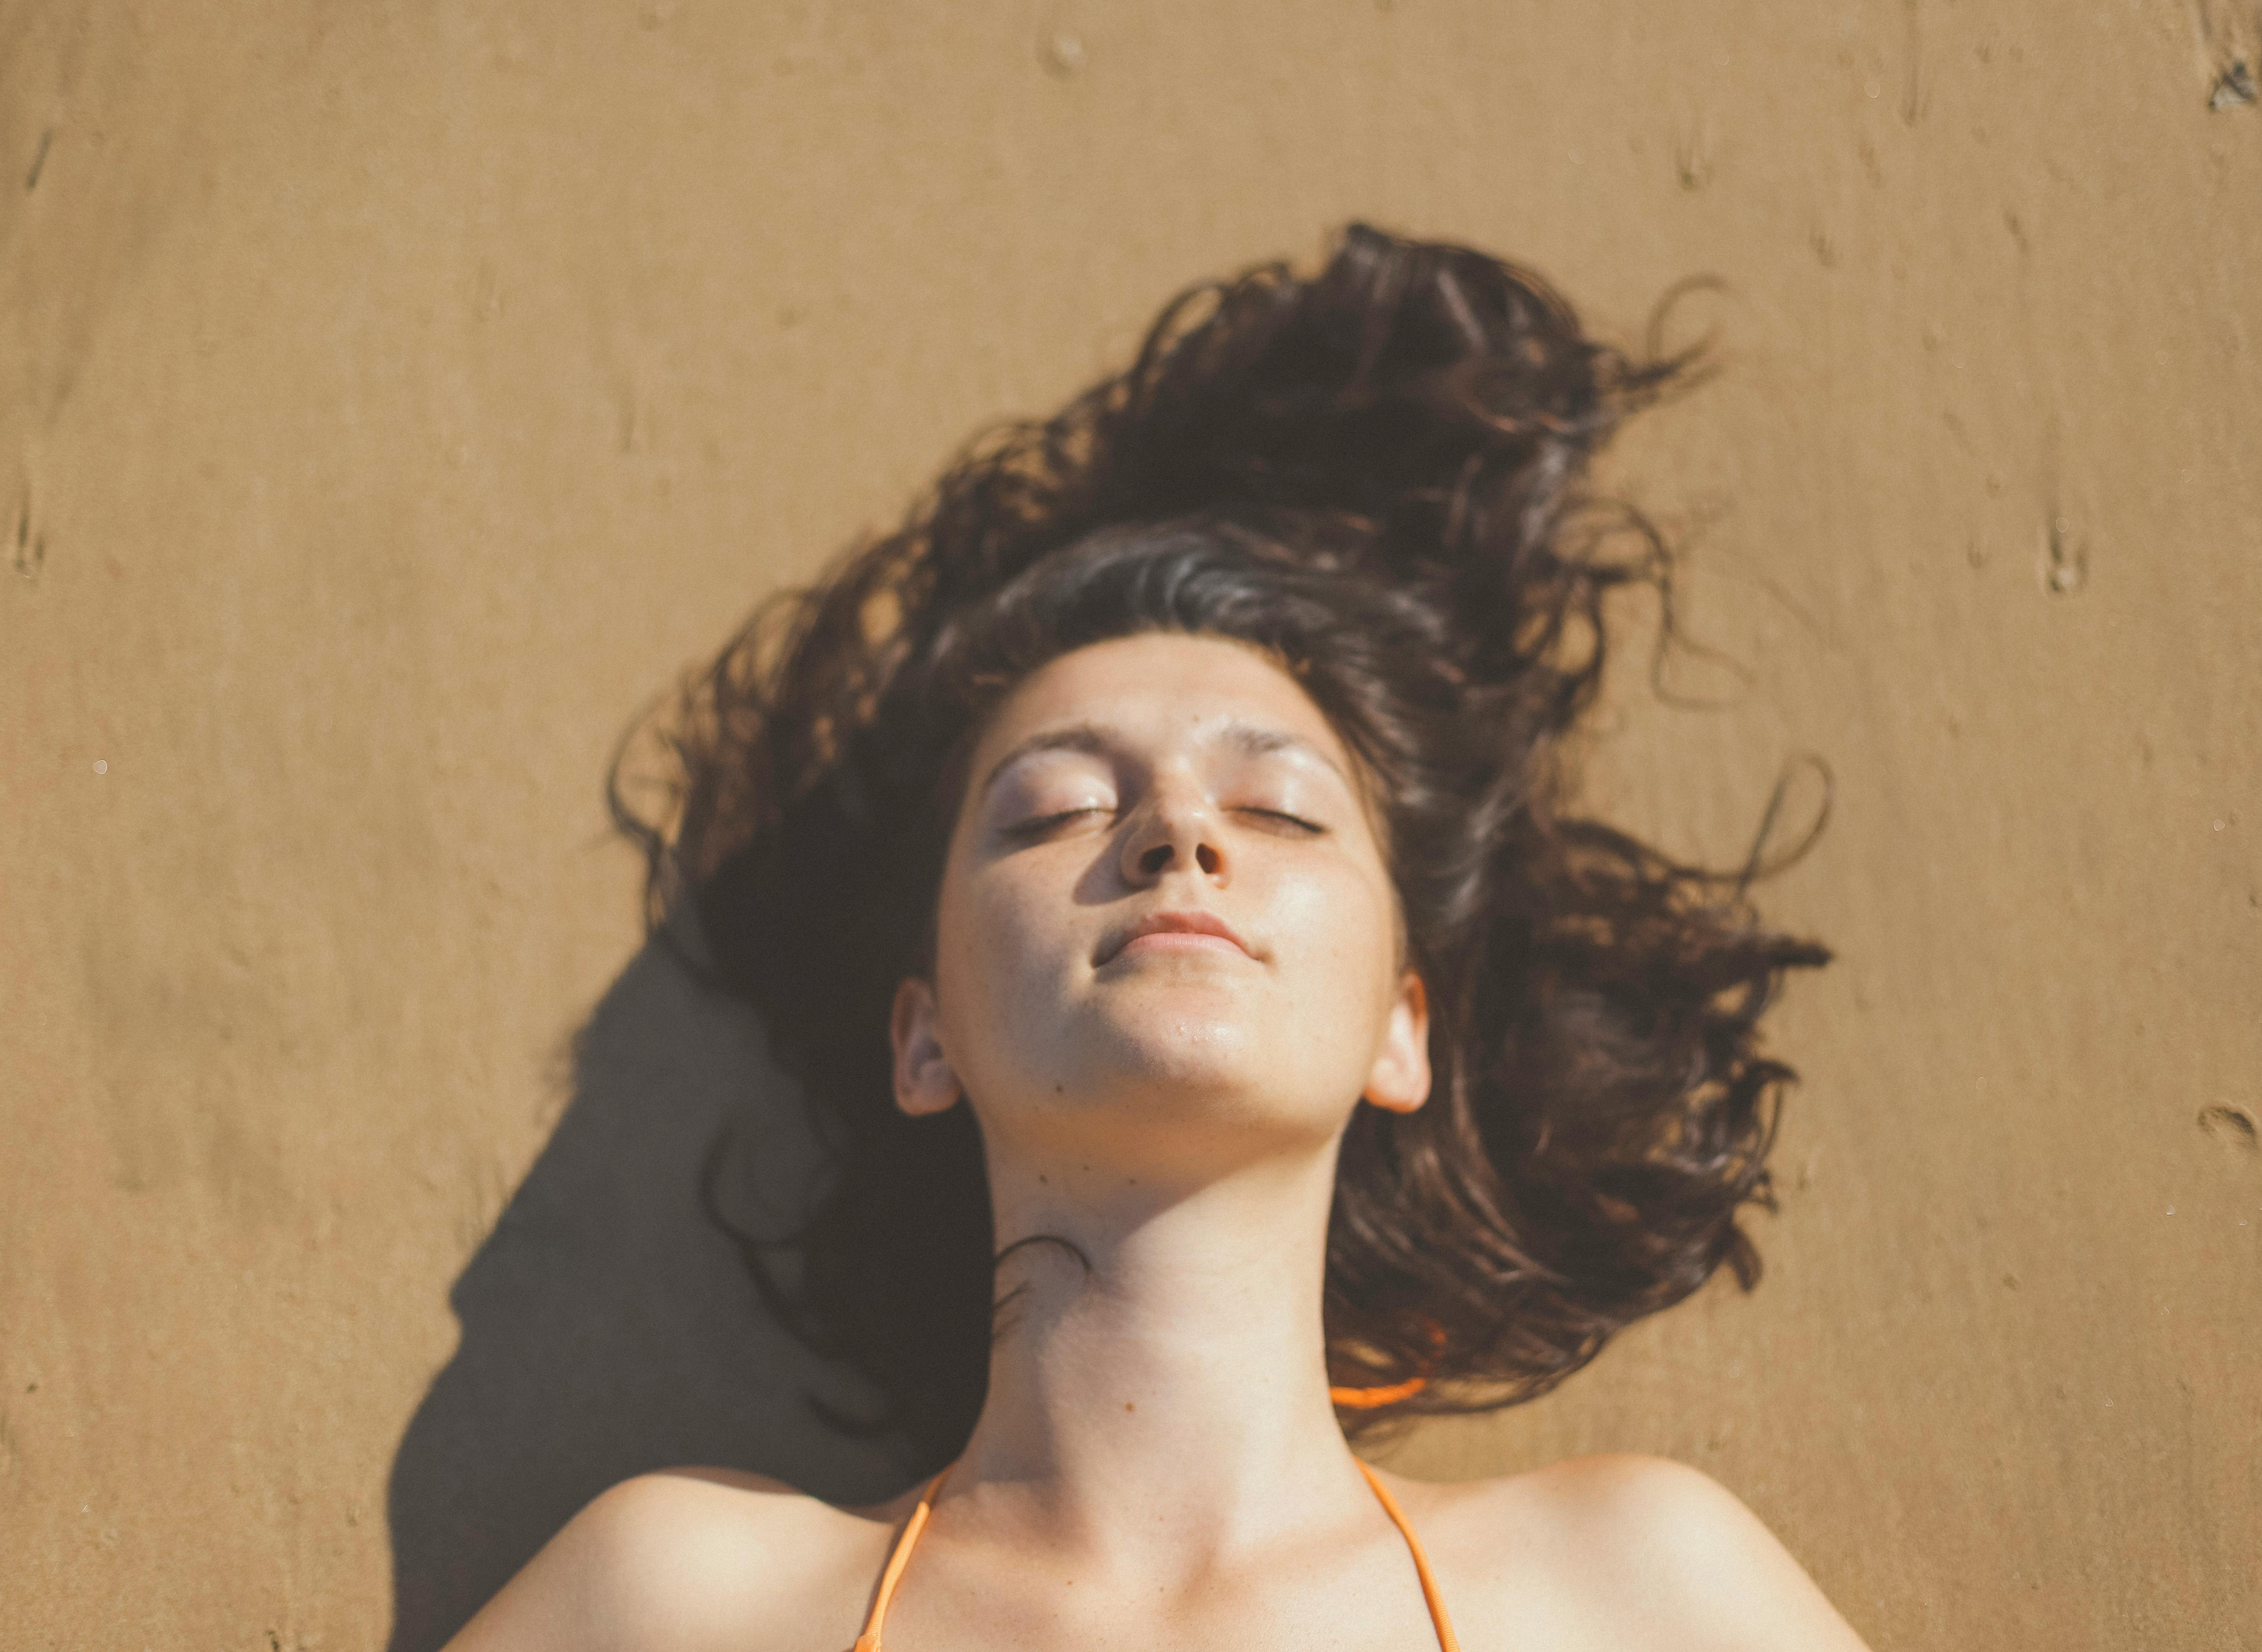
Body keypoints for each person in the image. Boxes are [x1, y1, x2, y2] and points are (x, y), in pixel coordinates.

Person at [447, 224, 1867, 1651]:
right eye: (1055, 807)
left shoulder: (1628, 1589)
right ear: (924, 1030)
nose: (1177, 834)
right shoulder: (684, 1598)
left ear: (1404, 1027)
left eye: (1283, 809)